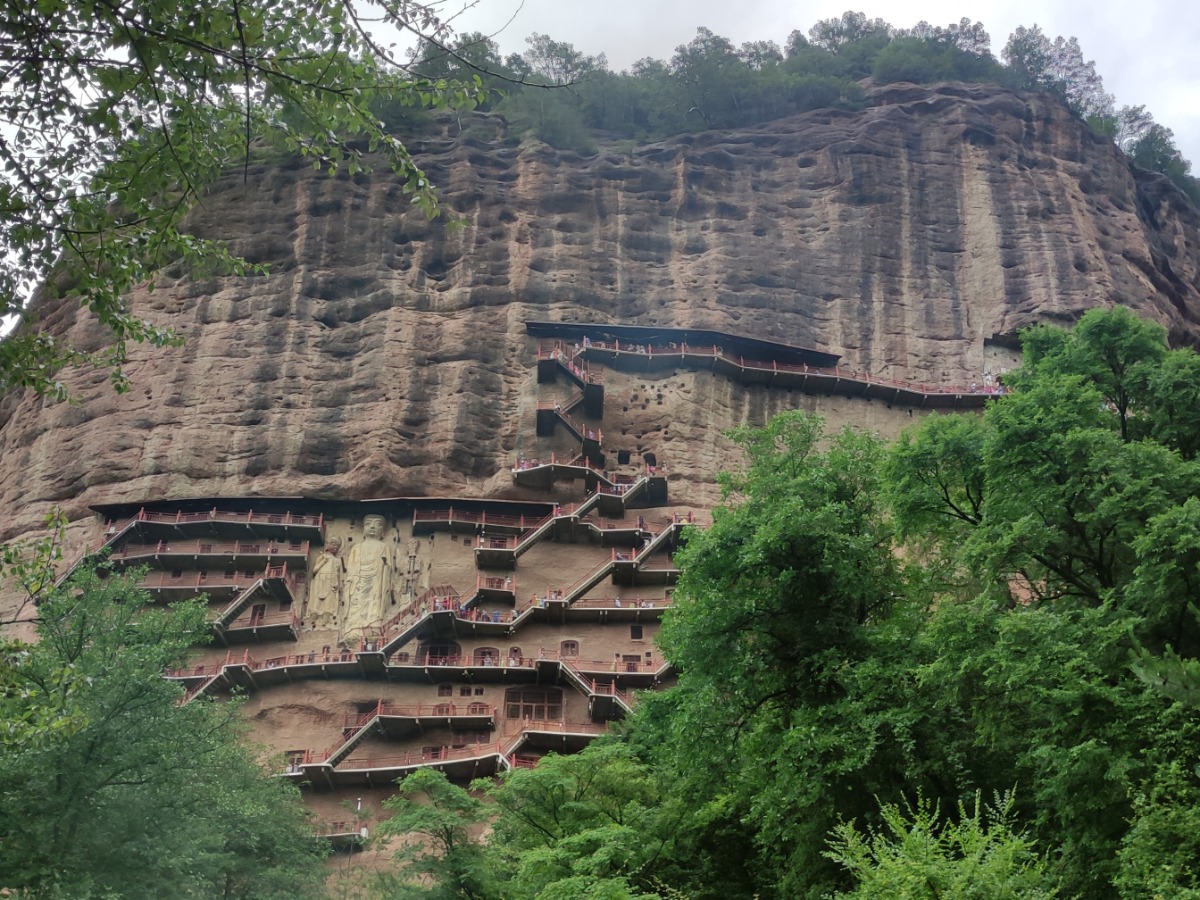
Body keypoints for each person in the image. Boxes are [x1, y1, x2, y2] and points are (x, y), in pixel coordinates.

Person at [340, 515, 392, 646]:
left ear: (383, 532)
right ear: (363, 529)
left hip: (377, 578)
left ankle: (373, 628)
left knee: (375, 600)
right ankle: (354, 630)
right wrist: (352, 579)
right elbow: (351, 567)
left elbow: (389, 566)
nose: (373, 527)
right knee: (356, 603)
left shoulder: (384, 546)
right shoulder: (357, 547)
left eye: (378, 524)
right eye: (368, 524)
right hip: (358, 579)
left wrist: (385, 565)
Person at [306, 539, 342, 629]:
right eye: (333, 544)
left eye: (337, 546)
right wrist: (323, 562)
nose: (335, 547)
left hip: (331, 580)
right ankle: (314, 616)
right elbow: (314, 570)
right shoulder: (321, 558)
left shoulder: (337, 561)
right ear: (327, 545)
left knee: (329, 600)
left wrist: (337, 583)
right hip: (319, 579)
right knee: (316, 598)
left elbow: (337, 573)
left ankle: (326, 617)